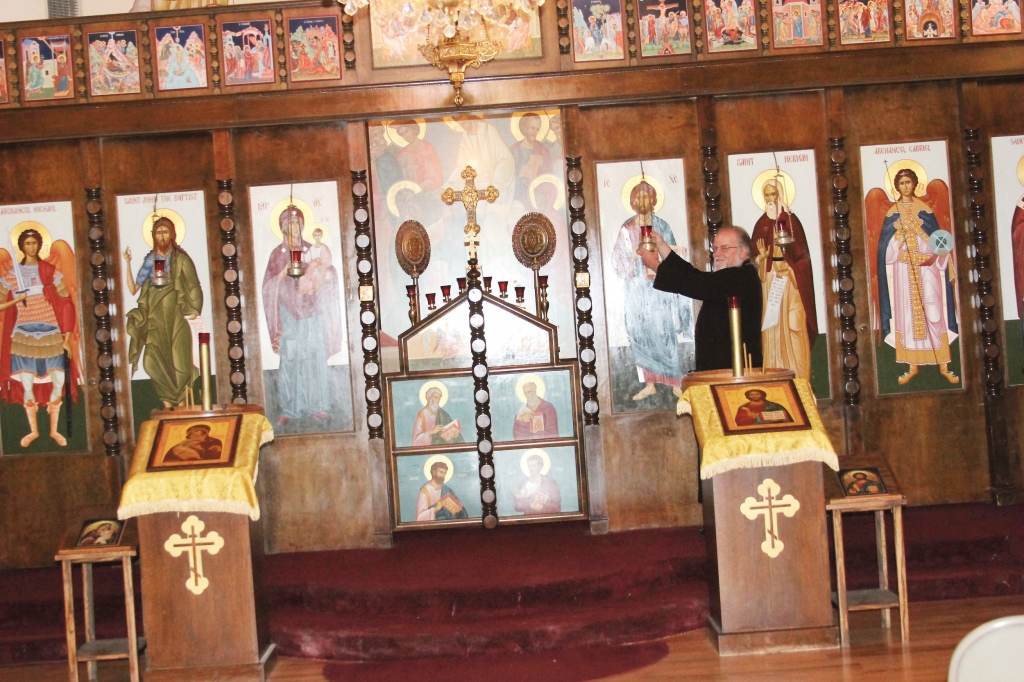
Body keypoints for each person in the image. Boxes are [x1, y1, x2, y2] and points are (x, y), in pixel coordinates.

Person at [262, 206, 345, 426]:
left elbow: (329, 270)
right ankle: (290, 408)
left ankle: (318, 405)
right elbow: (268, 286)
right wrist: (282, 273)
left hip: (313, 310)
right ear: (282, 228)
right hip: (289, 313)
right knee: (291, 358)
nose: (294, 228)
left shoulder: (312, 249)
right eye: (289, 224)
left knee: (314, 354)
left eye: (297, 223)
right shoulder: (276, 254)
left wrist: (328, 276)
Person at [638, 225, 763, 371]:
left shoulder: (742, 277)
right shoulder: (736, 275)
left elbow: (695, 283)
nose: (717, 254)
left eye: (725, 248)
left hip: (734, 371)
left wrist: (654, 264)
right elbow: (694, 275)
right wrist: (662, 246)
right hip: (723, 370)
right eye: (714, 248)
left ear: (744, 252)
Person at [611, 180, 691, 400]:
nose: (642, 201)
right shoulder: (627, 229)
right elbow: (617, 261)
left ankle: (675, 380)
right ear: (632, 201)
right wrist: (633, 256)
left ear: (654, 200)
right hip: (637, 291)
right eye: (638, 197)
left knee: (664, 332)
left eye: (647, 197)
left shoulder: (662, 226)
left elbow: (673, 258)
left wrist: (665, 253)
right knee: (641, 333)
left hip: (659, 290)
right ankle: (650, 383)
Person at [877, 168, 958, 385]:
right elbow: (884, 252)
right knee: (908, 320)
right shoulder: (892, 214)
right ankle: (911, 366)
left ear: (915, 185)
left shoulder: (925, 211)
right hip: (904, 273)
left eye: (908, 182)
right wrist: (898, 239)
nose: (905, 186)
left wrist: (933, 256)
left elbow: (939, 244)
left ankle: (944, 364)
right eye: (901, 183)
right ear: (897, 186)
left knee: (934, 313)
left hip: (927, 270)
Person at [0, 230, 80, 447]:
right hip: (23, 335)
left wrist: (67, 338)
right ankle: (33, 431)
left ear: (39, 245)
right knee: (27, 386)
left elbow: (66, 304)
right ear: (22, 247)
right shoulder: (11, 275)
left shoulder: (51, 272)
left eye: (35, 243)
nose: (31, 247)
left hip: (51, 333)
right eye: (27, 243)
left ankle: (55, 431)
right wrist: (17, 300)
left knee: (59, 381)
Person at [124, 216, 204, 407]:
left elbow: (193, 285)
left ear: (172, 235)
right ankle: (168, 406)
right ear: (153, 236)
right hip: (155, 318)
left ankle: (183, 403)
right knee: (151, 362)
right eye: (158, 232)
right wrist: (127, 263)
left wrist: (194, 309)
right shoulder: (150, 260)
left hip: (176, 317)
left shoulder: (181, 259)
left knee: (181, 364)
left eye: (165, 232)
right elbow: (134, 288)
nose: (162, 236)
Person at [750, 179, 817, 380]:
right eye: (767, 195)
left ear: (780, 195)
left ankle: (800, 379)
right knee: (772, 328)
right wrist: (761, 258)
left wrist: (790, 268)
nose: (771, 199)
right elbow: (754, 257)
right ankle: (775, 377)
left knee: (795, 325)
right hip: (770, 280)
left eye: (773, 195)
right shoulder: (761, 224)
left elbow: (804, 258)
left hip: (791, 281)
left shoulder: (791, 221)